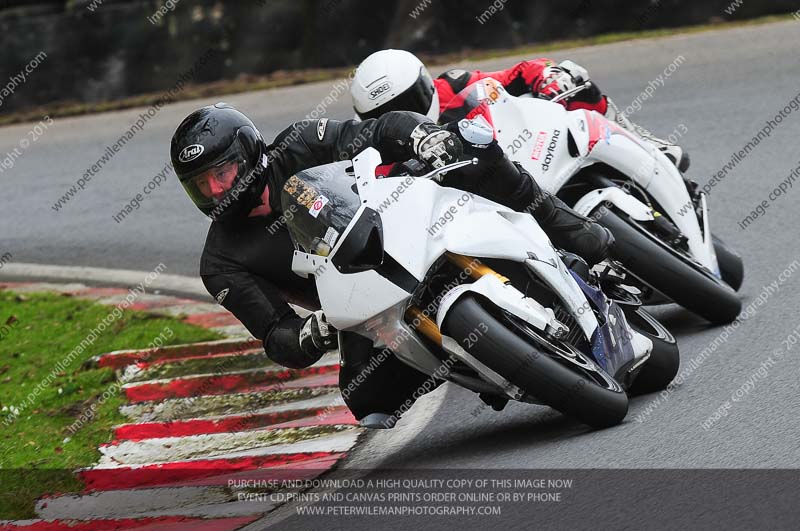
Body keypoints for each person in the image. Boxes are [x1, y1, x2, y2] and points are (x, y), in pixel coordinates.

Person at [170, 102, 611, 428]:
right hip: (366, 306)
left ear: (249, 155)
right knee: (365, 399)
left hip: (405, 220)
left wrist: (423, 136)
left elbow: (378, 130)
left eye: (222, 173)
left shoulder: (300, 143)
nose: (215, 189)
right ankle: (480, 365)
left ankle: (565, 229)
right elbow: (274, 333)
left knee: (474, 149)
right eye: (201, 185)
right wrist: (308, 334)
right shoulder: (221, 261)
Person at [350, 49, 689, 172]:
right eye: (388, 113)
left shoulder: (451, 85)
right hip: (488, 194)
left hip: (529, 149)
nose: (404, 115)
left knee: (578, 82)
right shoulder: (378, 149)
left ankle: (645, 142)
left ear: (425, 83)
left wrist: (547, 75)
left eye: (408, 102)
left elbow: (516, 74)